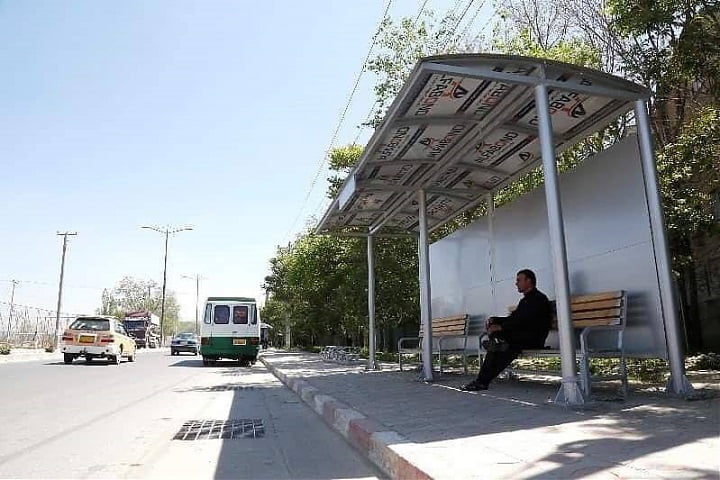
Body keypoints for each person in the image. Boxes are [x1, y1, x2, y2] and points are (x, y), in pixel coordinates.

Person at [461, 269, 552, 391]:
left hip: (533, 339)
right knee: (501, 344)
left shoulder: (538, 299)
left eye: (519, 280)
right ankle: (495, 347)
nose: (516, 283)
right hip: (521, 337)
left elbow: (523, 321)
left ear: (528, 281)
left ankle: (482, 379)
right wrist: (495, 320)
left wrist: (501, 327)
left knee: (502, 345)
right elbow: (514, 319)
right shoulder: (526, 300)